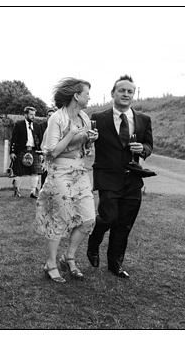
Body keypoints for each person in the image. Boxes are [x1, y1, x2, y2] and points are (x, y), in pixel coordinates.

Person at [88, 75, 155, 278]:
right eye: (122, 91)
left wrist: (142, 148)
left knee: (124, 224)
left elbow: (149, 146)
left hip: (133, 179)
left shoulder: (143, 119)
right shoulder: (98, 118)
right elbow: (87, 144)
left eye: (130, 91)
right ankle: (94, 240)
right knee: (108, 217)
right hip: (108, 176)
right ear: (113, 94)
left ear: (133, 94)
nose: (126, 94)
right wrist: (89, 140)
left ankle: (115, 264)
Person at [36, 78, 99, 283]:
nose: (89, 96)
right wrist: (73, 134)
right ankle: (51, 263)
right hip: (60, 171)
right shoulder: (57, 118)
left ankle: (68, 257)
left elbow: (85, 149)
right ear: (76, 96)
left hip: (79, 171)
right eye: (87, 93)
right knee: (61, 218)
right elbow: (52, 152)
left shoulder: (84, 118)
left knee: (89, 219)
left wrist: (89, 139)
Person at [9, 106, 48, 198]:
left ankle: (33, 192)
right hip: (21, 150)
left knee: (35, 172)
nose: (33, 116)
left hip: (34, 151)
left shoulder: (37, 126)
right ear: (25, 115)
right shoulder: (19, 125)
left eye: (34, 114)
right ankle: (17, 190)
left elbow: (40, 140)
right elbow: (14, 139)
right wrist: (12, 152)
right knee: (18, 172)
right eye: (31, 114)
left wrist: (41, 153)